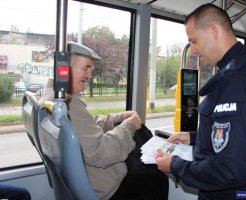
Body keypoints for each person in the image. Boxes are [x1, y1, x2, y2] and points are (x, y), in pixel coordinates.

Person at [155, 3, 246, 200]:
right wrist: (195, 137)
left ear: (212, 31)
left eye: (194, 41)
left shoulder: (239, 81)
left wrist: (175, 165)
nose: (193, 50)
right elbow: (240, 137)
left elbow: (230, 167)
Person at [39, 42, 168, 200]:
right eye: (85, 68)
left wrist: (119, 118)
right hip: (108, 188)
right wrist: (129, 125)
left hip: (86, 180)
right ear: (64, 68)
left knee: (136, 134)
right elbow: (101, 153)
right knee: (158, 178)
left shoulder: (49, 101)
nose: (89, 76)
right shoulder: (65, 103)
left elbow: (87, 125)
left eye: (91, 70)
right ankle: (165, 154)